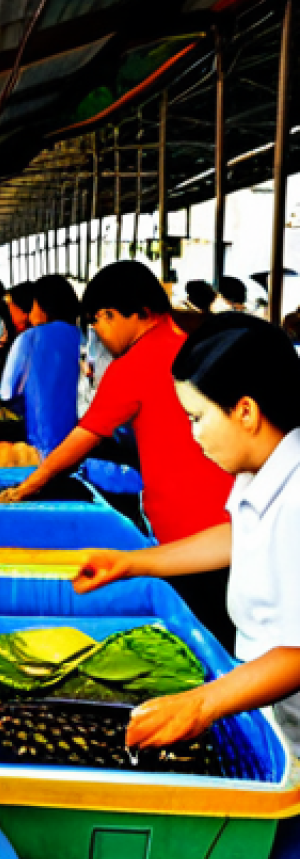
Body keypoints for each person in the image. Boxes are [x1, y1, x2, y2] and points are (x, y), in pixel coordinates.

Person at [72, 316, 300, 752]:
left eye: (197, 417)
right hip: (268, 701)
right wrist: (133, 563)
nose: (193, 436)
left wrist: (199, 705)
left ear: (246, 412)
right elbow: (240, 538)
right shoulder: (263, 467)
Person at [0, 261, 235, 646]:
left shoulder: (136, 364)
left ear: (115, 313)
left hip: (187, 529)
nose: (99, 334)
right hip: (231, 522)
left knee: (201, 635)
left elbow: (83, 438)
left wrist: (28, 486)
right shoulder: (194, 345)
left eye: (99, 322)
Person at [0, 276, 82, 457]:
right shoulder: (83, 337)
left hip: (42, 449)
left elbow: (7, 394)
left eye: (33, 305)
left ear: (43, 307)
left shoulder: (30, 338)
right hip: (84, 447)